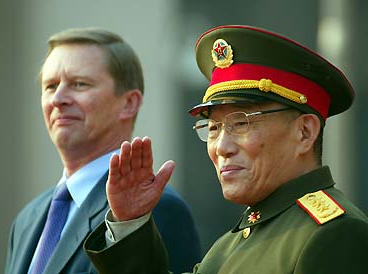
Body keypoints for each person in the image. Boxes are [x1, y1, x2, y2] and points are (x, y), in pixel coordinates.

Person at [83, 25, 368, 274]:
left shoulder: (333, 233)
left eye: (241, 123)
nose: (221, 147)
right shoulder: (233, 242)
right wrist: (130, 222)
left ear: (304, 132)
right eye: (214, 128)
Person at [5, 28, 201, 274]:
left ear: (129, 103)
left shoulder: (152, 208)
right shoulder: (27, 219)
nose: (58, 99)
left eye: (79, 84)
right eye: (50, 86)